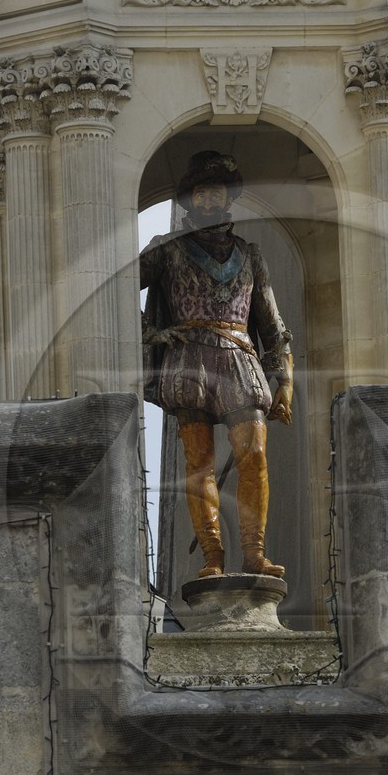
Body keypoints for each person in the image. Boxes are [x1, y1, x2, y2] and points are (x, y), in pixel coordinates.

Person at [140, 151, 294, 580]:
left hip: (240, 358)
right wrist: (150, 333)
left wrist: (283, 375)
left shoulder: (250, 254)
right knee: (199, 463)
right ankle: (211, 556)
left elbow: (271, 321)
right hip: (188, 359)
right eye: (202, 192)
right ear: (191, 199)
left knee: (255, 455)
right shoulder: (167, 251)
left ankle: (254, 554)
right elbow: (112, 285)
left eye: (217, 192)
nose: (210, 200)